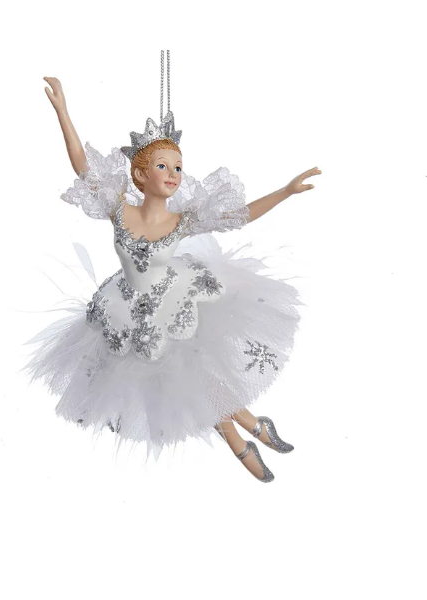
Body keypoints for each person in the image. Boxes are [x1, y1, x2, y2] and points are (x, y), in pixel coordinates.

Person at [21, 75, 322, 482]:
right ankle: (249, 431)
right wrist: (63, 112)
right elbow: (83, 168)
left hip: (174, 301)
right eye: (162, 166)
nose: (173, 174)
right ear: (140, 174)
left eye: (178, 167)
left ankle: (246, 436)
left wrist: (285, 191)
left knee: (197, 376)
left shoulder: (183, 221)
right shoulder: (119, 210)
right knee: (190, 384)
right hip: (127, 310)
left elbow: (240, 216)